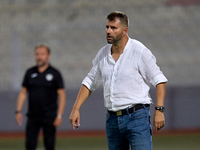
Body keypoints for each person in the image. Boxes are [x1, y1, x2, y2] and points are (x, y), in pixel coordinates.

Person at [69, 11, 167, 150]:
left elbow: (159, 80)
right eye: (107, 27)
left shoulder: (139, 51)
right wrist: (75, 108)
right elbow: (90, 81)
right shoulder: (103, 53)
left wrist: (159, 110)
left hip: (137, 117)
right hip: (112, 120)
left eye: (113, 28)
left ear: (125, 31)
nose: (108, 31)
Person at [16, 44, 66, 150]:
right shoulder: (30, 73)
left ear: (48, 56)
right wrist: (18, 111)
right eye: (37, 54)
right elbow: (23, 92)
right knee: (30, 145)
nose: (39, 57)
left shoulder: (55, 73)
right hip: (33, 116)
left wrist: (60, 115)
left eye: (42, 54)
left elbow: (61, 95)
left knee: (49, 144)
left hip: (49, 115)